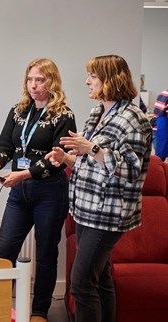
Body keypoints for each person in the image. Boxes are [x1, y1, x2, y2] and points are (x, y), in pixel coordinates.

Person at [45, 55, 152, 322]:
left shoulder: (133, 118)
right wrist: (68, 158)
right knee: (101, 279)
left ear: (111, 79)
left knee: (81, 283)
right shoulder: (98, 112)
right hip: (84, 209)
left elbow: (130, 169)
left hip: (107, 213)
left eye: (93, 76)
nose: (87, 81)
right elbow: (93, 162)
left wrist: (91, 148)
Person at [0, 58, 77, 322]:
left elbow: (57, 158)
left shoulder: (64, 114)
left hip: (49, 191)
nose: (34, 85)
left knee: (46, 252)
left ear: (52, 82)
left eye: (40, 80)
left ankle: (40, 311)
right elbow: (5, 145)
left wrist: (23, 174)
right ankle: (0, 305)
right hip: (20, 192)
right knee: (4, 250)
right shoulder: (19, 110)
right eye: (30, 79)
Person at [154, 88, 168, 161]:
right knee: (160, 157)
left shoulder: (163, 93)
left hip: (158, 128)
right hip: (163, 130)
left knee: (159, 158)